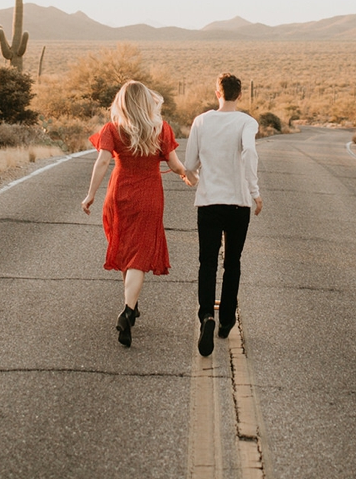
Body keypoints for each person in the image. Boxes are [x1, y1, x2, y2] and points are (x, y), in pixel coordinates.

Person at [82, 80, 195, 346]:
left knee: (127, 249)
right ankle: (128, 310)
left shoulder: (112, 129)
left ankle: (130, 304)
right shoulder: (160, 129)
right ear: (146, 102)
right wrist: (188, 176)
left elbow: (102, 162)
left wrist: (90, 195)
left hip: (119, 195)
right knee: (138, 254)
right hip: (149, 197)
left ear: (121, 103)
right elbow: (175, 164)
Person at [184, 74, 262, 358]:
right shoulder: (246, 122)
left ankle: (206, 314)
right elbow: (250, 154)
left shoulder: (201, 121)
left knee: (207, 261)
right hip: (238, 204)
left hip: (208, 203)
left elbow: (190, 163)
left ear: (217, 92)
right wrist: (254, 192)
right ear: (239, 95)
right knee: (232, 262)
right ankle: (227, 319)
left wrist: (191, 177)